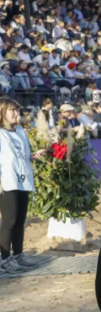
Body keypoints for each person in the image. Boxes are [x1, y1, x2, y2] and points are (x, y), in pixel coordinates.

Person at [0, 97, 46, 273]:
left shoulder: (20, 131)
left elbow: (21, 155)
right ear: (2, 112)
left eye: (17, 110)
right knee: (9, 221)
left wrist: (33, 155)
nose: (16, 113)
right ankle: (5, 259)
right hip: (7, 182)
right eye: (12, 110)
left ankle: (18, 255)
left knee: (20, 221)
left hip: (23, 179)